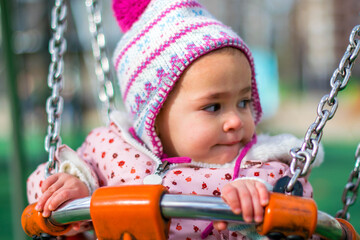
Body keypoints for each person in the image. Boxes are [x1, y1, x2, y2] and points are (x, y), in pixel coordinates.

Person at [26, 0, 323, 239]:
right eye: (213, 107)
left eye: (244, 102)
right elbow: (41, 184)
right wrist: (72, 188)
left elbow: (298, 204)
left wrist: (254, 206)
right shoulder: (112, 152)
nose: (235, 120)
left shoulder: (258, 167)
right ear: (153, 116)